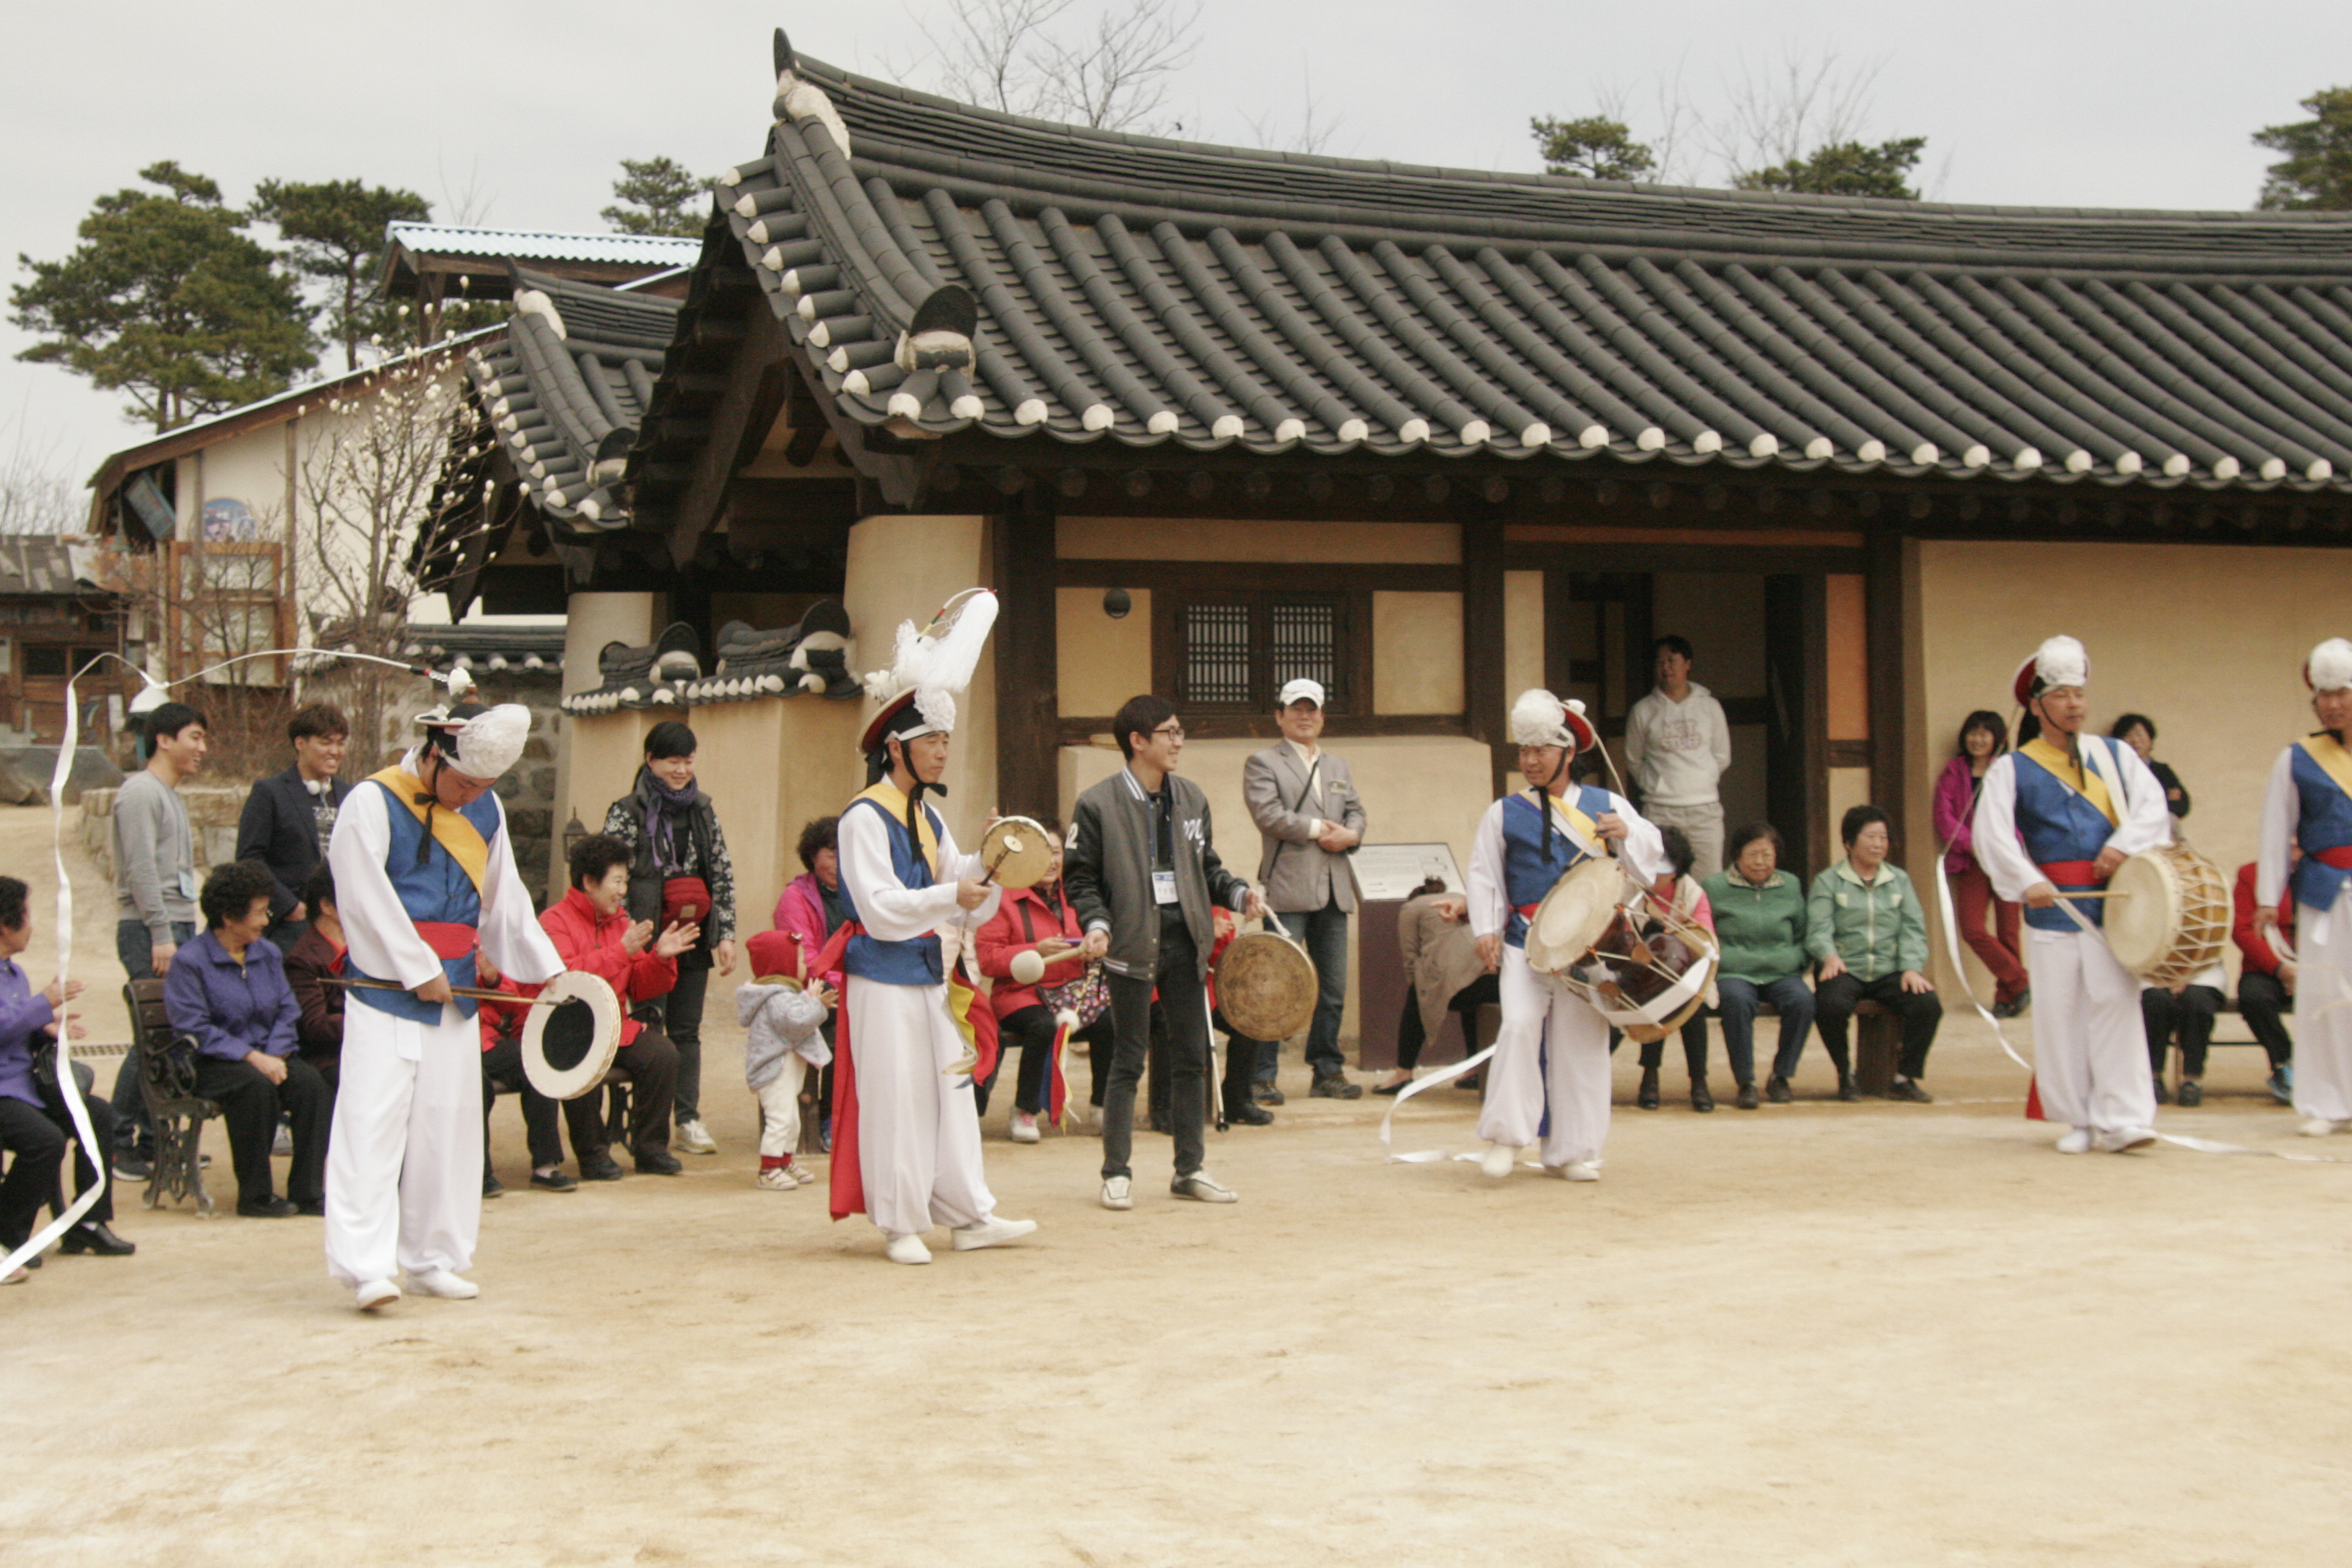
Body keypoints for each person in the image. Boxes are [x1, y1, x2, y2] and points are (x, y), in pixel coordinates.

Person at [324, 689, 562, 1312]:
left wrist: (552, 976)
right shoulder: (371, 802)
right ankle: (366, 1267)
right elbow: (362, 897)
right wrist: (412, 966)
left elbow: (506, 902)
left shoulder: (487, 811)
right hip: (385, 992)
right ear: (432, 754)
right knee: (369, 1128)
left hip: (454, 992)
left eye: (485, 786)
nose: (473, 795)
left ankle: (435, 1257)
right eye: (464, 783)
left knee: (449, 1131)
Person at [829, 588, 1036, 1263]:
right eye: (934, 741)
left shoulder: (926, 815)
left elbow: (958, 877)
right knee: (897, 1096)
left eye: (948, 739)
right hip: (882, 976)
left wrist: (992, 854)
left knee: (950, 1089)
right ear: (898, 747)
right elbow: (880, 905)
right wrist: (955, 888)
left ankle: (969, 1213)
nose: (944, 752)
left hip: (924, 972)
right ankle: (899, 1222)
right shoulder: (864, 815)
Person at [1067, 693, 1264, 1211]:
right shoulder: (1096, 803)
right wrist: (1097, 924)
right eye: (1169, 733)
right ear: (1138, 741)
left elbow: (1208, 868)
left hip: (1187, 941)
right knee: (1128, 1059)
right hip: (1130, 941)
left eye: (1180, 733)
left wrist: (1239, 893)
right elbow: (1081, 879)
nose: (1179, 742)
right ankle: (1116, 1172)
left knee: (1190, 1057)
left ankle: (1190, 1169)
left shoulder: (1192, 798)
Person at [1974, 635, 2171, 1154]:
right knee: (2061, 1013)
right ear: (2037, 705)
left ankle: (2125, 1117)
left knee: (2116, 1004)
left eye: (2079, 694)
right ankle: (2078, 1118)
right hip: (2052, 905)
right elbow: (1990, 834)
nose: (2075, 704)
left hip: (2113, 902)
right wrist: (2026, 880)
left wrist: (2124, 847)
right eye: (2062, 695)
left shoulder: (2116, 755)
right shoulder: (2013, 767)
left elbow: (2153, 808)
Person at [1465, 689, 1663, 1181]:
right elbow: (1486, 874)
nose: (1530, 761)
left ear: (1569, 753)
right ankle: (1506, 1139)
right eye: (1525, 751)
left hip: (1587, 945)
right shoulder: (1504, 812)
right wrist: (1486, 929)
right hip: (1524, 941)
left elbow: (1651, 864)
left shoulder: (1606, 804)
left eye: (1541, 751)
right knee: (1517, 1026)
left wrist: (1628, 833)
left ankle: (1572, 1151)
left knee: (1581, 1044)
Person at [162, 860, 332, 1218]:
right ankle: (255, 1196)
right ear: (228, 916)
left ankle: (308, 1190)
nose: (266, 921)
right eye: (258, 913)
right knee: (254, 1088)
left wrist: (274, 1054)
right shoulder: (191, 962)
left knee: (311, 1085)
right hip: (212, 1064)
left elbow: (288, 1010)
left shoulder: (266, 954)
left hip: (270, 1056)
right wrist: (253, 1057)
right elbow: (195, 1028)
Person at [601, 721, 737, 1158]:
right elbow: (612, 876)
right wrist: (624, 934)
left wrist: (726, 934)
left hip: (693, 935)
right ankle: (648, 1118)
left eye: (688, 760)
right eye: (672, 761)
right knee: (648, 1027)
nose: (681, 769)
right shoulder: (627, 811)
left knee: (687, 1030)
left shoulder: (702, 809)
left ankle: (688, 1118)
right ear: (651, 761)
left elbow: (720, 871)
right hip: (646, 939)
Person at [535, 834, 692, 1179]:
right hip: (572, 1027)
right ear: (589, 882)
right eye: (617, 881)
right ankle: (593, 1154)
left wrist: (660, 959)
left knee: (662, 1054)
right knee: (580, 1061)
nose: (623, 891)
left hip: (615, 1024)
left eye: (626, 881)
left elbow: (639, 984)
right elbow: (567, 981)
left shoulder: (620, 921)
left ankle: (650, 1148)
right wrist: (621, 951)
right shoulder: (554, 921)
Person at [1240, 679, 1366, 1101]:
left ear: (1323, 717)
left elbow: (1356, 811)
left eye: (1313, 709)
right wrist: (1319, 830)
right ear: (1280, 715)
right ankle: (1261, 1074)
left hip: (1335, 888)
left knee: (1332, 988)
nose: (1306, 716)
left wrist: (1351, 835)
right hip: (1288, 888)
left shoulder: (1337, 766)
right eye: (1297, 708)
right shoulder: (1263, 762)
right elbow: (1268, 815)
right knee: (1277, 983)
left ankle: (1327, 1070)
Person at [0, 875, 132, 1281]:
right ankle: (9, 1238)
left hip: (27, 1084)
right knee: (45, 1142)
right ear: (5, 924)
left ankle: (87, 1222)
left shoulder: (14, 973)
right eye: (26, 915)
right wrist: (45, 1004)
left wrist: (48, 1024)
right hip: (5, 1091)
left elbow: (16, 1025)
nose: (32, 924)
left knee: (98, 1114)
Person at [107, 699, 207, 1181]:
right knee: (150, 1035)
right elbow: (141, 870)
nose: (201, 749)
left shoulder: (169, 794)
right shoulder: (140, 793)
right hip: (152, 929)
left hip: (177, 925)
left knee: (170, 1036)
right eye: (194, 737)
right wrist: (162, 934)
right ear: (163, 739)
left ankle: (156, 1139)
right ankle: (116, 1140)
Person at [2257, 638, 2352, 1138]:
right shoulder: (2296, 759)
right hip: (2324, 890)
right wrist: (2268, 900)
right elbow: (2276, 831)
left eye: (2342, 692)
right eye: (2324, 694)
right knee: (2323, 995)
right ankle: (2328, 1102)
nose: (2333, 703)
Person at [974, 820, 1114, 1138]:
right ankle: (1025, 1110)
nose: (1052, 861)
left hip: (1075, 992)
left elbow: (1099, 930)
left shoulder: (1077, 894)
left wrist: (1093, 948)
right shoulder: (1004, 897)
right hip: (1022, 993)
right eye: (1044, 853)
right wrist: (1034, 950)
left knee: (1111, 1022)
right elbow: (988, 959)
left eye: (1057, 852)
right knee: (1042, 1026)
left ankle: (1104, 1105)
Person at [1808, 805, 1941, 1104]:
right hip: (1845, 967)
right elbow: (1818, 927)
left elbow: (1913, 928)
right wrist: (1828, 955)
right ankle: (1845, 1074)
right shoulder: (1829, 881)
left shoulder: (1899, 880)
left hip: (1888, 968)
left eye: (1883, 837)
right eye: (1870, 837)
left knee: (1927, 1004)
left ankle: (1904, 1078)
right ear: (1849, 843)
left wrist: (1911, 967)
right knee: (1830, 1006)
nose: (1878, 844)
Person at [1702, 823, 1812, 1110]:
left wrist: (1798, 961)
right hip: (1735, 971)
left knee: (1802, 1000)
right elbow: (1703, 933)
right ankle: (1746, 1082)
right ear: (1737, 855)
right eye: (1753, 854)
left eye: (1767, 855)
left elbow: (1802, 931)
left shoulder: (1790, 885)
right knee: (1736, 1001)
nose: (1760, 862)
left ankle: (1781, 1076)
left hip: (1781, 971)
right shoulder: (1715, 887)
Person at [1933, 710, 2030, 1018]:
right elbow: (1944, 816)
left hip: (2005, 860)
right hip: (1971, 861)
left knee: (2009, 931)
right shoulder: (1954, 771)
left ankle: (2006, 998)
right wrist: (1973, 845)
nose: (1978, 739)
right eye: (1973, 732)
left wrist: (1999, 847)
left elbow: (2022, 816)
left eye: (1985, 733)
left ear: (1998, 738)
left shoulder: (2008, 771)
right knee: (1973, 929)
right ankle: (2020, 980)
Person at [235, 703, 351, 953]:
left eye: (341, 743)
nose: (335, 751)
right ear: (300, 743)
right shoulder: (270, 792)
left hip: (343, 924)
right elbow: (249, 858)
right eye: (325, 742)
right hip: (291, 926)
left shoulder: (351, 795)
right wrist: (288, 906)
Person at [1624, 826, 1716, 1112]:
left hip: (1687, 973)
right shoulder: (1630, 892)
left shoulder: (1693, 894)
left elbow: (1705, 941)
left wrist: (1671, 939)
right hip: (1636, 974)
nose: (1652, 875)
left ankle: (1699, 1081)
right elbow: (1621, 938)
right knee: (1654, 1001)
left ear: (1676, 870)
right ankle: (1650, 1077)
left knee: (1692, 1005)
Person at [1624, 635, 1731, 880]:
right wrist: (1656, 785)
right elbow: (1634, 760)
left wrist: (1704, 780)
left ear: (1688, 664)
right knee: (1660, 878)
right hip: (1661, 810)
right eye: (1660, 662)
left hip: (1704, 810)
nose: (1666, 667)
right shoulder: (1643, 710)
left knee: (1709, 879)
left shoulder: (1710, 707)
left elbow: (1722, 756)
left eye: (1672, 660)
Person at [1376, 879, 1496, 1095]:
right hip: (1495, 977)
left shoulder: (1411, 908)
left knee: (1418, 996)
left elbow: (1410, 954)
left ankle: (1403, 1074)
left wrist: (1422, 992)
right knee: (1470, 995)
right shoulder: (1462, 899)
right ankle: (1474, 1069)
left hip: (1461, 978)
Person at [738, 928, 832, 1189]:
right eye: (800, 960)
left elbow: (794, 1013)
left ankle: (783, 1161)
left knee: (791, 1118)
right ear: (784, 966)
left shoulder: (782, 996)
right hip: (774, 1070)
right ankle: (768, 1170)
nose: (805, 965)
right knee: (780, 1119)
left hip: (783, 1069)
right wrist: (817, 1006)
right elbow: (795, 1022)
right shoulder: (776, 998)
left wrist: (808, 999)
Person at [774, 816, 848, 1147]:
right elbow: (806, 960)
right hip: (813, 986)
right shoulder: (795, 897)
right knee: (839, 1022)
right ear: (813, 856)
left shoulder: (861, 893)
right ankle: (831, 1118)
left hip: (853, 981)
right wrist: (846, 983)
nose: (839, 863)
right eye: (832, 854)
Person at [2233, 855, 2296, 1105]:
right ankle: (2286, 1062)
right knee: (2254, 997)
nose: (2292, 842)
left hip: (2321, 966)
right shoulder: (2251, 874)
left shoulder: (2334, 870)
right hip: (2267, 966)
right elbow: (2243, 929)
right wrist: (2281, 969)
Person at [281, 863, 347, 1094]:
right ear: (327, 906)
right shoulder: (303, 958)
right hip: (330, 1058)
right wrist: (366, 1020)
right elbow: (315, 1025)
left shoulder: (361, 946)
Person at [2143, 967, 2224, 1107]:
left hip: (2202, 971)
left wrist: (2184, 977)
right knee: (2155, 1001)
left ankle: (2192, 1079)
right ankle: (2152, 1076)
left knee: (2197, 1002)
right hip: (2150, 970)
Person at [2112, 714, 2191, 819]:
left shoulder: (2162, 771)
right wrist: (2163, 799)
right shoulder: (2113, 770)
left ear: (2150, 739)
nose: (2135, 741)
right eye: (2128, 735)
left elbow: (2182, 806)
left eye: (2139, 735)